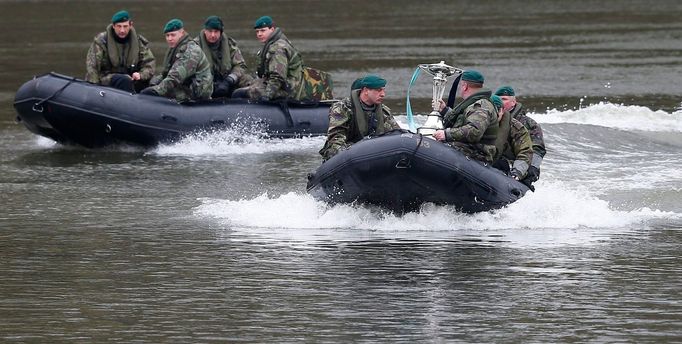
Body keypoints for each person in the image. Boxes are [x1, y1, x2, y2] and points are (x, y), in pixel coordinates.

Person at [319, 75, 401, 160]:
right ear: (365, 91)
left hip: (373, 152)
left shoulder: (383, 111)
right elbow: (336, 140)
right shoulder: (342, 109)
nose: (383, 94)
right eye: (378, 90)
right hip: (348, 153)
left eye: (383, 90)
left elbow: (395, 133)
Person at [232, 16, 303, 101]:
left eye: (263, 30)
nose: (259, 34)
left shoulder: (278, 48)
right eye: (257, 31)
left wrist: (267, 96)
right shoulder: (273, 43)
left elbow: (277, 77)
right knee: (243, 80)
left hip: (288, 89)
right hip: (279, 85)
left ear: (272, 29)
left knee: (238, 94)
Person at [434, 70, 499, 164]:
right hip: (466, 151)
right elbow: (464, 120)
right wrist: (444, 110)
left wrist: (447, 134)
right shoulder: (475, 104)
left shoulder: (481, 106)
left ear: (465, 86)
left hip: (475, 155)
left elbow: (474, 131)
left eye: (461, 85)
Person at [140, 19, 213, 102]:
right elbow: (166, 73)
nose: (170, 39)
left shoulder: (191, 51)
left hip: (197, 93)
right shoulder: (175, 48)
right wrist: (153, 83)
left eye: (173, 35)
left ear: (182, 33)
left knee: (164, 92)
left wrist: (156, 90)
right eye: (167, 35)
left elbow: (175, 77)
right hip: (184, 85)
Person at [85, 10, 155, 92]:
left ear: (130, 25)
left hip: (131, 79)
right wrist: (94, 86)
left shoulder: (139, 42)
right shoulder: (101, 41)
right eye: (119, 26)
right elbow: (92, 66)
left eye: (125, 26)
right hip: (106, 79)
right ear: (113, 26)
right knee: (124, 80)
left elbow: (149, 65)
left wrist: (140, 75)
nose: (122, 30)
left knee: (150, 82)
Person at [495, 86, 546, 185]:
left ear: (513, 102)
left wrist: (532, 168)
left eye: (504, 99)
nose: (500, 102)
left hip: (518, 164)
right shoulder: (490, 119)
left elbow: (538, 149)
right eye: (498, 99)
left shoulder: (529, 124)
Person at [194, 15, 252, 98]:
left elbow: (240, 65)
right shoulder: (195, 46)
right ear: (205, 31)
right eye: (210, 31)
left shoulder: (229, 45)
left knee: (247, 79)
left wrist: (229, 80)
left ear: (221, 32)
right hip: (205, 82)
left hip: (225, 81)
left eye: (216, 31)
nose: (213, 35)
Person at [490, 95, 533, 181]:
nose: (492, 116)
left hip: (506, 164)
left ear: (502, 110)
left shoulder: (517, 128)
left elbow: (525, 152)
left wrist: (517, 172)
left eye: (496, 112)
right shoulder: (480, 122)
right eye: (490, 113)